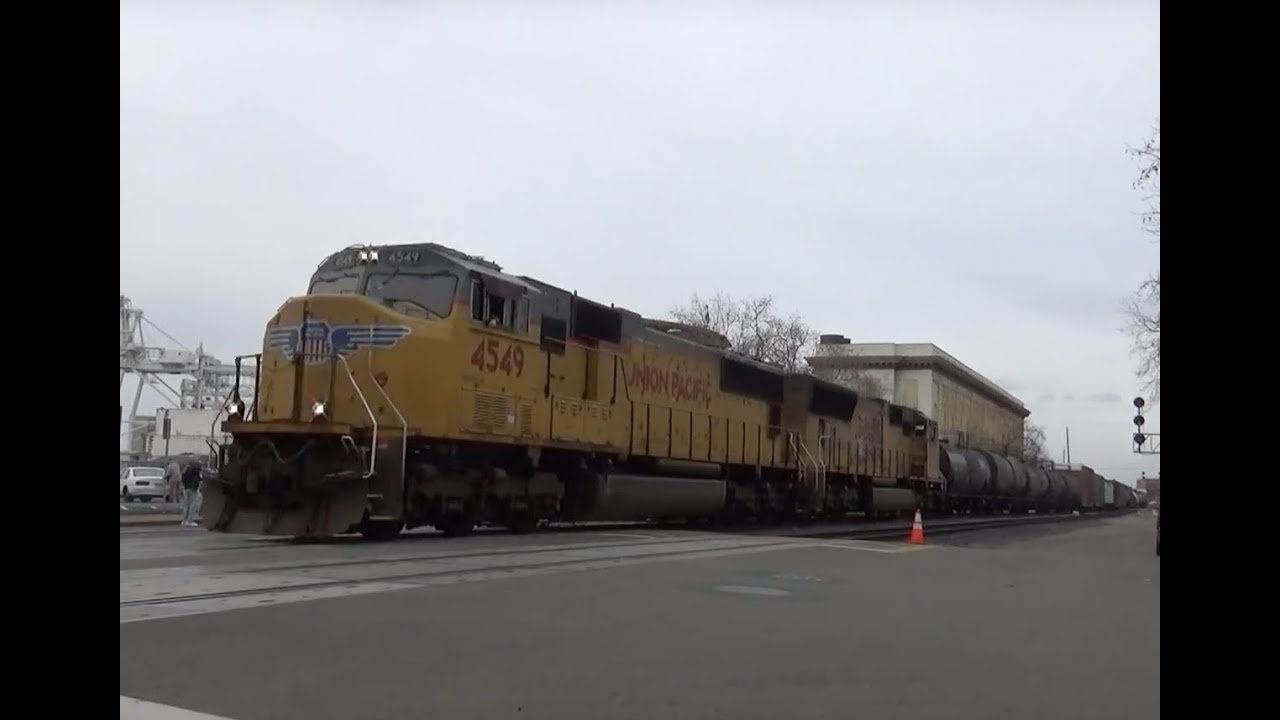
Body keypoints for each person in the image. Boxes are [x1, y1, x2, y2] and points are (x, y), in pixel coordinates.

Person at [180, 460, 204, 528]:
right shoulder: (196, 471)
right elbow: (200, 479)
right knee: (192, 505)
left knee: (186, 505)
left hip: (186, 488)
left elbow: (183, 478)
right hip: (193, 488)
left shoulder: (186, 470)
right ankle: (189, 521)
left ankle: (184, 521)